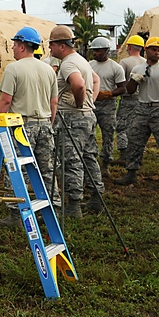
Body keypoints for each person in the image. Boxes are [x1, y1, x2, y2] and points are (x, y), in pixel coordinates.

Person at [0, 26, 59, 225]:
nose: (12, 49)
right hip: (44, 124)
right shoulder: (48, 69)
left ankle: (16, 213)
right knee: (46, 169)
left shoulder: (14, 69)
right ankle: (53, 208)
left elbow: (5, 101)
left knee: (16, 169)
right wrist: (48, 122)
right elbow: (54, 102)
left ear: (22, 46)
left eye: (14, 45)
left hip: (21, 126)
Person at [48, 26, 105, 217]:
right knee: (88, 158)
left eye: (52, 44)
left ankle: (74, 206)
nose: (50, 49)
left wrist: (80, 103)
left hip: (72, 117)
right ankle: (97, 198)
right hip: (87, 116)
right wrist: (90, 102)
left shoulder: (68, 64)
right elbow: (95, 80)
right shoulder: (81, 60)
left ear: (62, 45)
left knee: (70, 160)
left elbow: (79, 84)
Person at [113, 37, 159, 188]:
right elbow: (129, 91)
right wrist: (134, 80)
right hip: (142, 106)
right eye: (154, 50)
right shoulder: (138, 69)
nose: (157, 53)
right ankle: (131, 172)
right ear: (146, 50)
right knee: (134, 141)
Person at [89, 37, 126, 172]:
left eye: (98, 51)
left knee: (108, 134)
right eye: (94, 51)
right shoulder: (89, 65)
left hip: (108, 105)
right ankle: (92, 161)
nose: (95, 53)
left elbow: (122, 88)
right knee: (89, 133)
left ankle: (105, 163)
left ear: (106, 51)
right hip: (92, 104)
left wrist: (109, 93)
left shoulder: (116, 67)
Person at [115, 35, 147, 165]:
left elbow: (120, 81)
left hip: (128, 99)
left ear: (129, 47)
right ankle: (139, 153)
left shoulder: (125, 62)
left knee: (122, 126)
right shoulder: (145, 62)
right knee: (138, 129)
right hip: (142, 100)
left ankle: (123, 154)